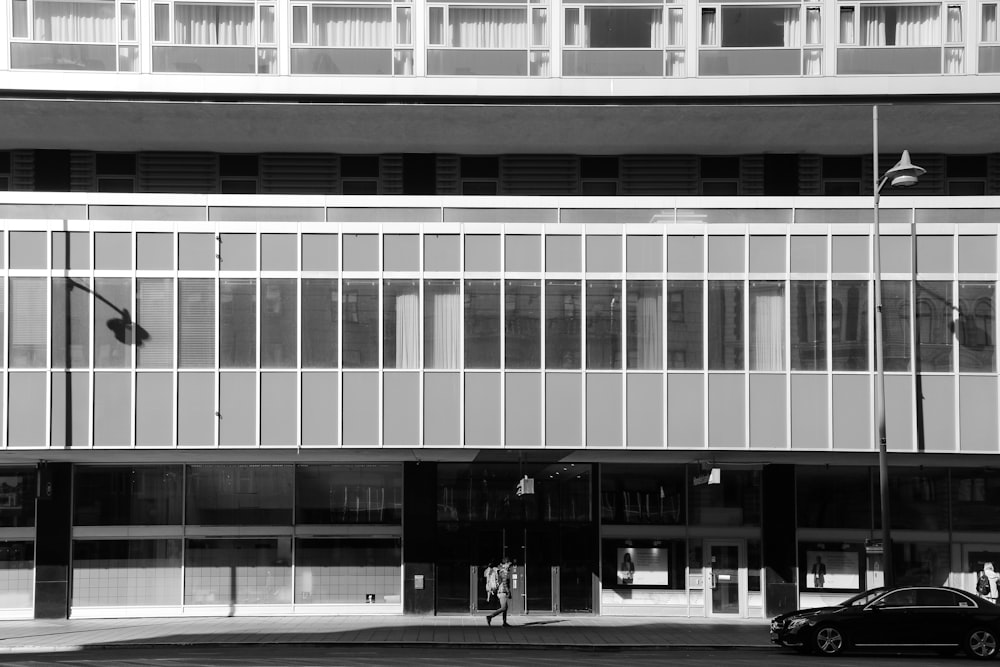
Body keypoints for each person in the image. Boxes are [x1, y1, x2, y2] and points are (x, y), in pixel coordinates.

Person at [486, 556, 512, 627]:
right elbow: (504, 583)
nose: (510, 565)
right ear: (506, 563)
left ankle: (504, 622)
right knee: (503, 607)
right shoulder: (504, 572)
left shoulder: (500, 570)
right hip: (502, 591)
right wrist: (508, 592)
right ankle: (490, 616)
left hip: (500, 591)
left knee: (505, 607)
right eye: (509, 564)